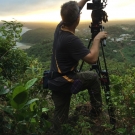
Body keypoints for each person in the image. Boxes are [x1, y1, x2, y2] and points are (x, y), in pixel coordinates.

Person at [48, 0, 108, 131]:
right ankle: (96, 112)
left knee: (59, 120)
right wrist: (97, 39)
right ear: (77, 19)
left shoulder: (60, 27)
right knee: (93, 77)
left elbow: (75, 9)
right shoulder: (71, 40)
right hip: (65, 81)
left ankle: (56, 129)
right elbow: (92, 59)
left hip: (55, 80)